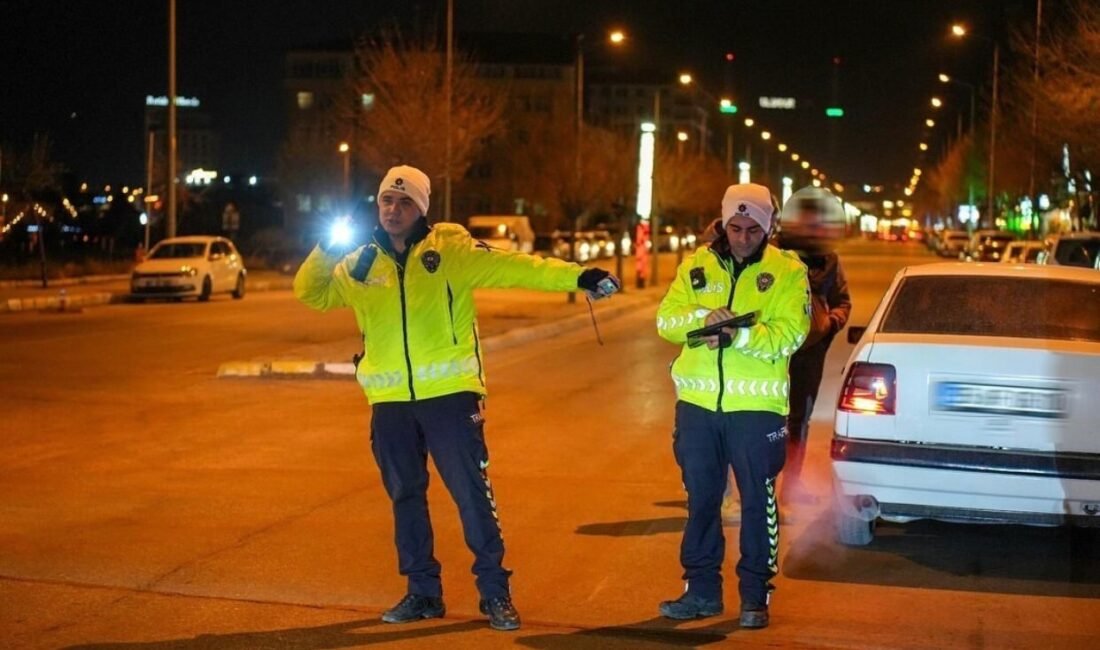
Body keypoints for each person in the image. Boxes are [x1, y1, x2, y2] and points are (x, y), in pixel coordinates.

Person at [294, 165, 620, 632]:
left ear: (421, 209)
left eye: (405, 202)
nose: (393, 210)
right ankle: (422, 592)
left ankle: (495, 593)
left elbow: (517, 266)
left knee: (471, 495)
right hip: (389, 402)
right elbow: (311, 293)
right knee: (405, 496)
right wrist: (328, 249)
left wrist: (579, 277)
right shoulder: (361, 264)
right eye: (387, 200)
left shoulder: (450, 250)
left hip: (450, 398)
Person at [655, 182, 810, 629]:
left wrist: (739, 335)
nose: (743, 238)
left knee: (757, 502)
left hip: (756, 411)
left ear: (768, 228)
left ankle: (755, 595)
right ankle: (701, 592)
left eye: (753, 230)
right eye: (735, 228)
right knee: (702, 501)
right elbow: (666, 320)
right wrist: (702, 318)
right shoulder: (696, 265)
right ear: (723, 224)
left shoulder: (788, 272)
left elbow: (790, 335)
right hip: (698, 407)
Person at [775, 187, 852, 504]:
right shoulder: (773, 256)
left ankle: (791, 486)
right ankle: (761, 485)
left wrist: (829, 324)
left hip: (810, 354)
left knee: (799, 420)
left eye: (816, 222)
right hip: (772, 352)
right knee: (766, 419)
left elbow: (843, 302)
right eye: (805, 221)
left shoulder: (829, 262)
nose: (811, 228)